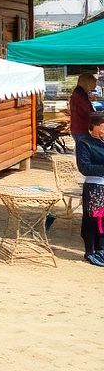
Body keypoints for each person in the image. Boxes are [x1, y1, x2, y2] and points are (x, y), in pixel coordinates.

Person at [75, 112, 104, 266]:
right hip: (95, 187)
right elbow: (85, 167)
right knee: (93, 219)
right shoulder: (84, 143)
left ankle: (101, 250)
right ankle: (90, 252)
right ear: (94, 126)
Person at [68, 73, 98, 144]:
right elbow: (87, 111)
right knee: (83, 152)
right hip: (80, 128)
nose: (95, 85)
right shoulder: (80, 94)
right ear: (87, 82)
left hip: (79, 128)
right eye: (94, 82)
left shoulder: (81, 92)